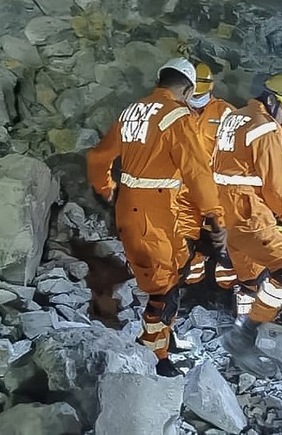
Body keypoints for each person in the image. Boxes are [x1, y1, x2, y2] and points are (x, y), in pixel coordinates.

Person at [87, 57, 222, 377]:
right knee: (163, 285)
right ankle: (155, 356)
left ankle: (164, 335)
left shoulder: (131, 111)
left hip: (133, 206)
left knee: (171, 275)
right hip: (157, 211)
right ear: (188, 89)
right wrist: (214, 215)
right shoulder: (178, 115)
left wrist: (106, 188)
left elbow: (98, 157)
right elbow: (196, 171)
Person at [213, 73, 282, 376]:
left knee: (249, 280)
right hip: (248, 212)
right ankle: (243, 334)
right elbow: (276, 186)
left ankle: (243, 339)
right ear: (271, 100)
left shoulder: (233, 118)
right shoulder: (265, 127)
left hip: (225, 211)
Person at [174, 62, 237, 287]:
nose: (196, 99)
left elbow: (235, 153)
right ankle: (193, 286)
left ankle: (225, 287)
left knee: (222, 241)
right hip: (184, 190)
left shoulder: (225, 112)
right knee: (187, 238)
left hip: (216, 189)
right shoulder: (177, 112)